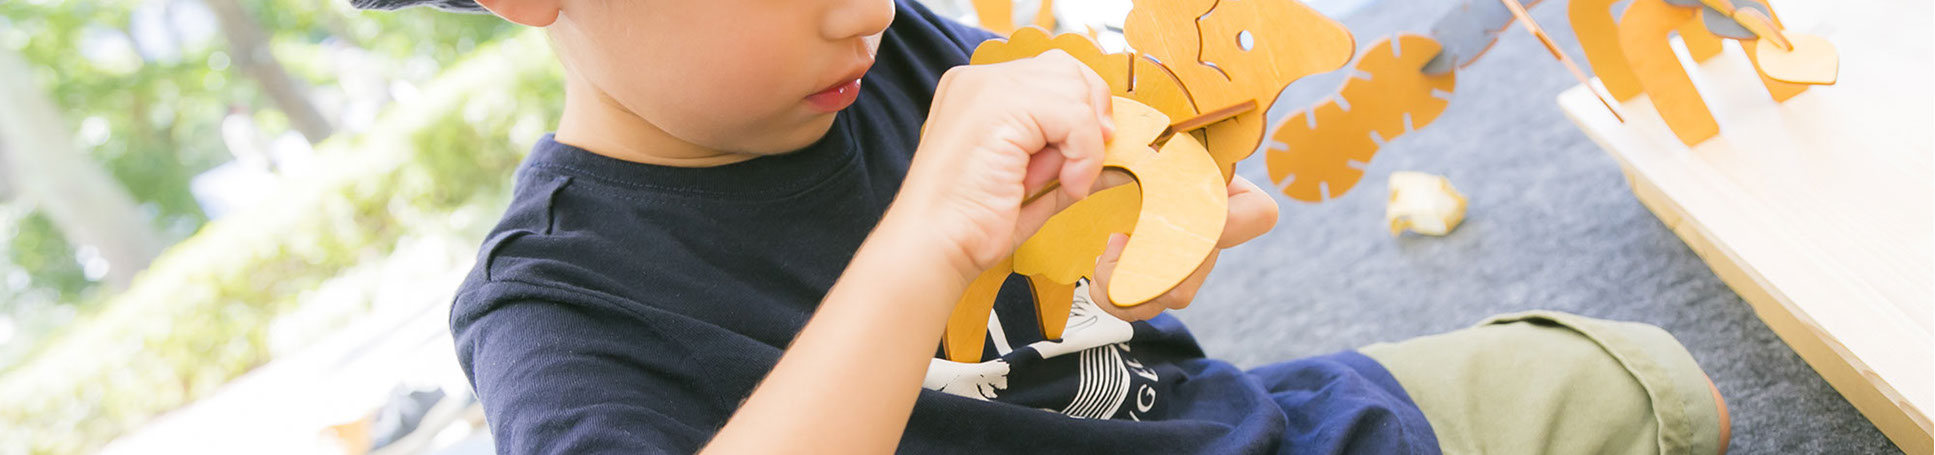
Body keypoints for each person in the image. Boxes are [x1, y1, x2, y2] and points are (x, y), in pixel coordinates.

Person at [349, 0, 1731, 453]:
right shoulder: (557, 309)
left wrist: (1155, 216)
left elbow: (1096, 249)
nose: (863, 8)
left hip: (1221, 431)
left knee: (1659, 391)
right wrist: (921, 252)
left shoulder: (895, 49)